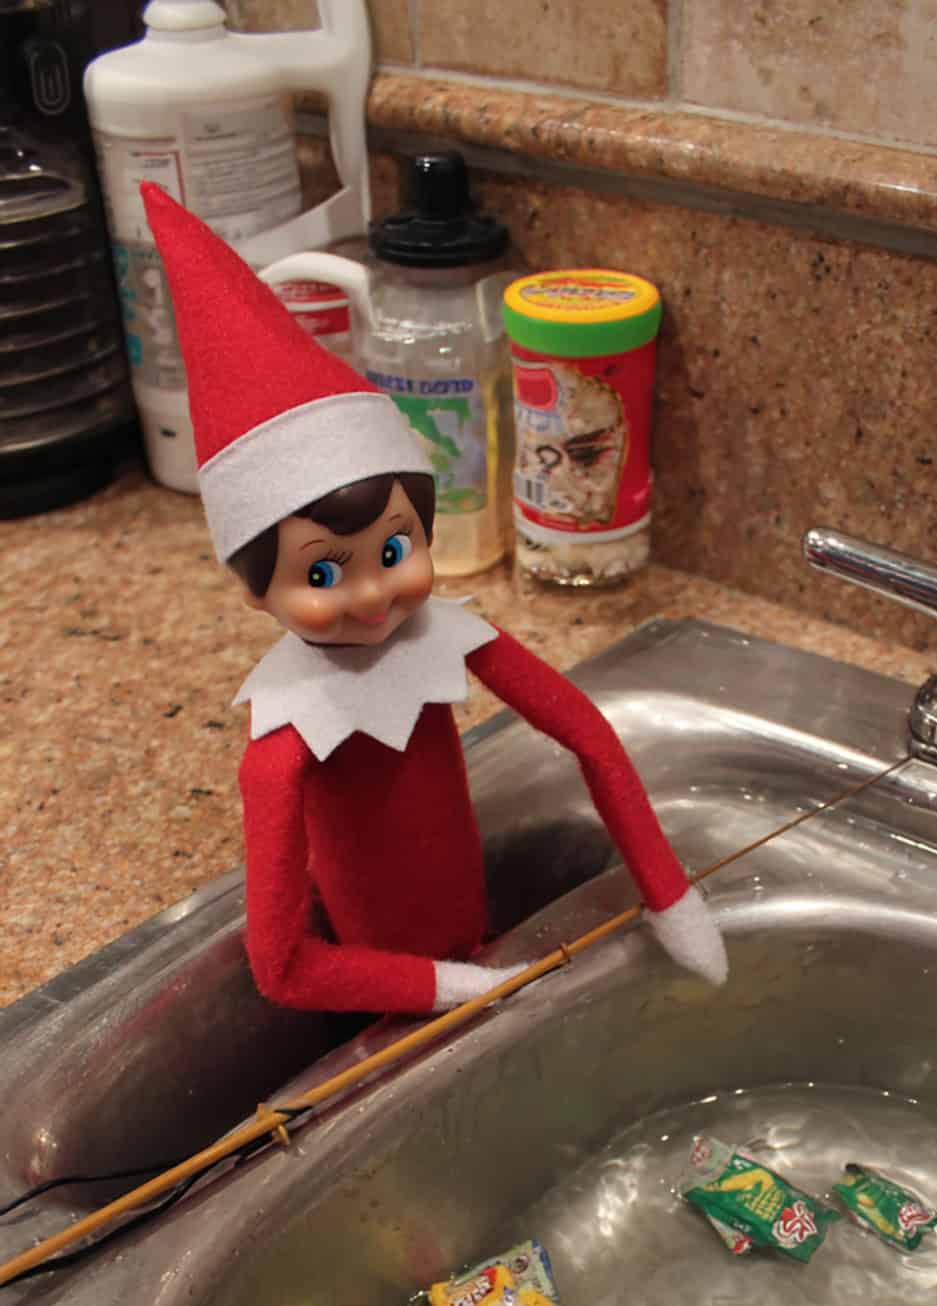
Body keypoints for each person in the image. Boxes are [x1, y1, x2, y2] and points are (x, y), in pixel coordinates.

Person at [141, 183, 727, 1016]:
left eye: (392, 549)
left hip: (477, 943)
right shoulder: (281, 744)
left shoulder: (451, 639)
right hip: (396, 1000)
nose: (375, 592)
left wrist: (671, 896)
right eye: (320, 574)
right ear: (252, 587)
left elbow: (590, 737)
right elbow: (282, 967)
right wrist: (442, 989)